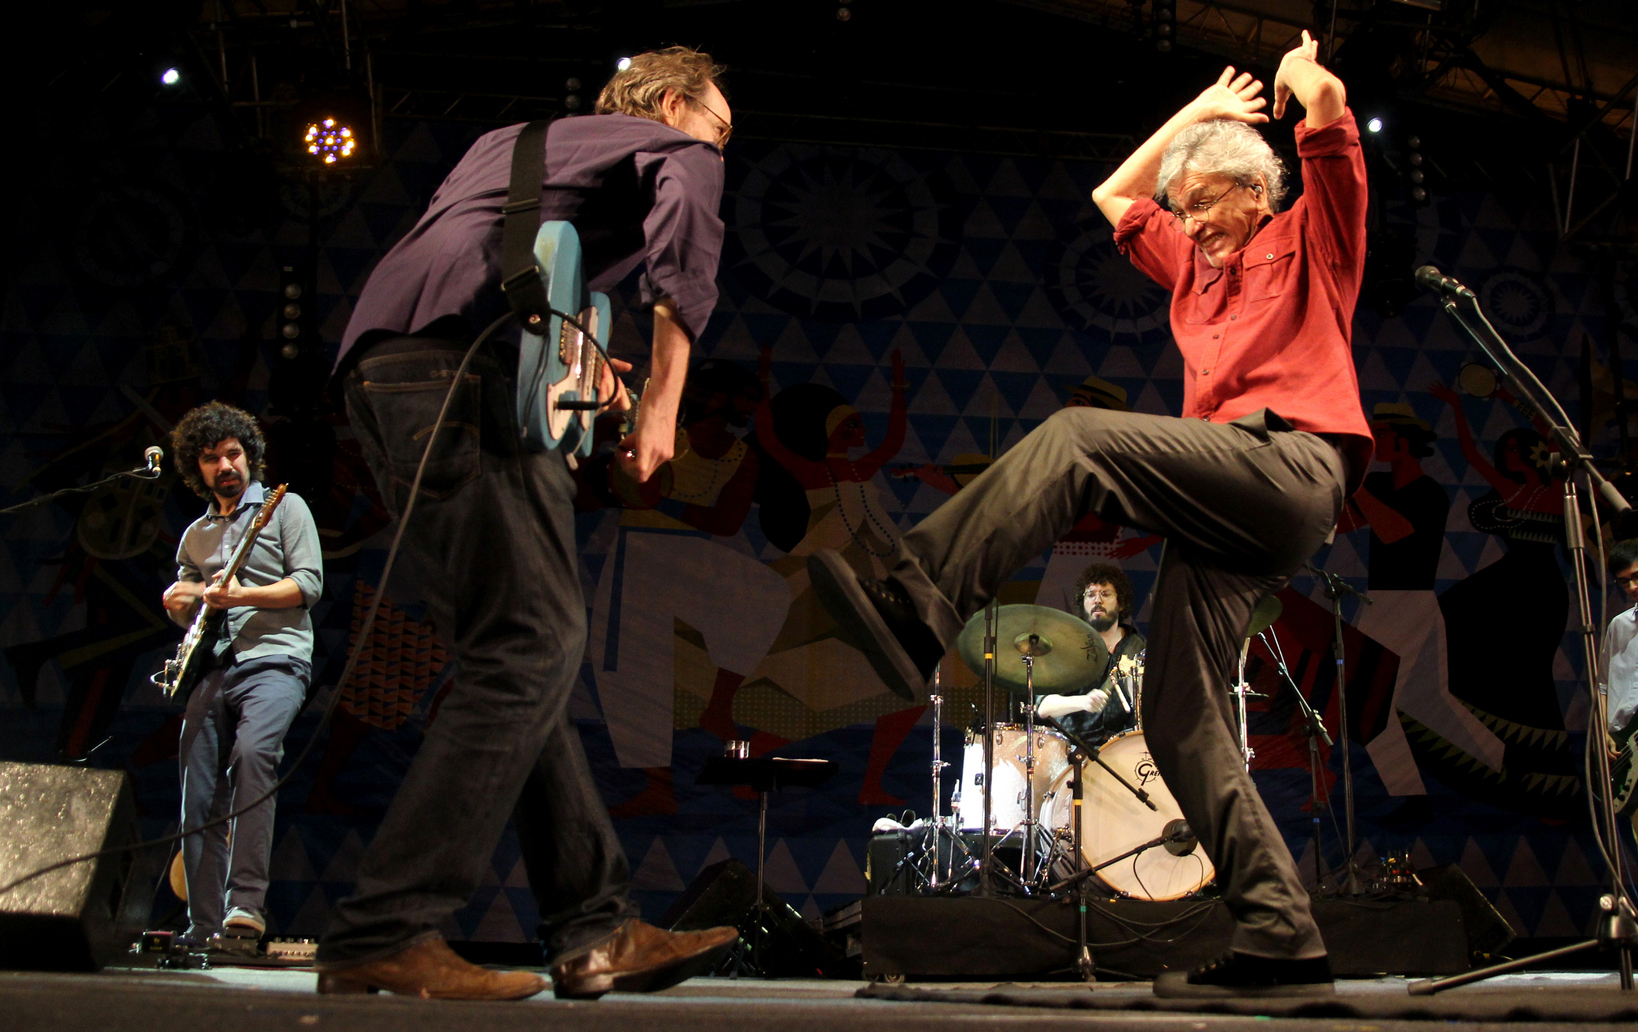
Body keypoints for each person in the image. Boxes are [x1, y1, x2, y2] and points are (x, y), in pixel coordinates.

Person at [808, 31, 1369, 998]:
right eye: (1183, 210)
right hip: (1218, 507)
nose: (1190, 225)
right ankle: (1282, 935)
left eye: (1205, 204)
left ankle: (915, 602)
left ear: (1255, 193)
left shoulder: (1311, 237)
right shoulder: (1192, 269)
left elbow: (1326, 128)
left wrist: (1305, 84)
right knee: (1181, 716)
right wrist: (1197, 114)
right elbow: (1116, 196)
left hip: (1288, 466)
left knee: (1078, 438)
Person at [319, 47, 738, 1000]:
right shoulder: (678, 148)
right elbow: (684, 246)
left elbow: (513, 267)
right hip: (461, 384)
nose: (721, 143)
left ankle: (593, 929)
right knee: (532, 645)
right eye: (718, 122)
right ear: (672, 103)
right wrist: (665, 403)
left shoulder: (510, 146)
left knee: (516, 651)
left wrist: (581, 357)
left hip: (387, 378)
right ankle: (384, 929)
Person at [161, 402, 323, 952]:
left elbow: (307, 585)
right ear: (197, 469)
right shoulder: (195, 537)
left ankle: (244, 907)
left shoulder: (283, 508)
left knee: (253, 755)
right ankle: (201, 927)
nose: (225, 465)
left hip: (276, 660)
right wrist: (178, 601)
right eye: (211, 458)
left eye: (233, 453)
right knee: (198, 788)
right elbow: (190, 605)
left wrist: (241, 596)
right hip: (216, 668)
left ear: (249, 455)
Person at [1036, 562, 1146, 751]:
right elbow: (1043, 706)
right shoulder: (1067, 649)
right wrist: (1084, 702)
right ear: (1083, 602)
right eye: (1091, 594)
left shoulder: (1138, 648)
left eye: (1105, 594)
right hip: (1075, 751)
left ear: (1121, 602)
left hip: (1126, 750)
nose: (1097, 601)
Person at [1603, 539, 1638, 748]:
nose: (1632, 587)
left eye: (1636, 577)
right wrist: (1603, 734)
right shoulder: (1619, 625)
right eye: (1624, 582)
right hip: (1619, 742)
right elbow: (1603, 685)